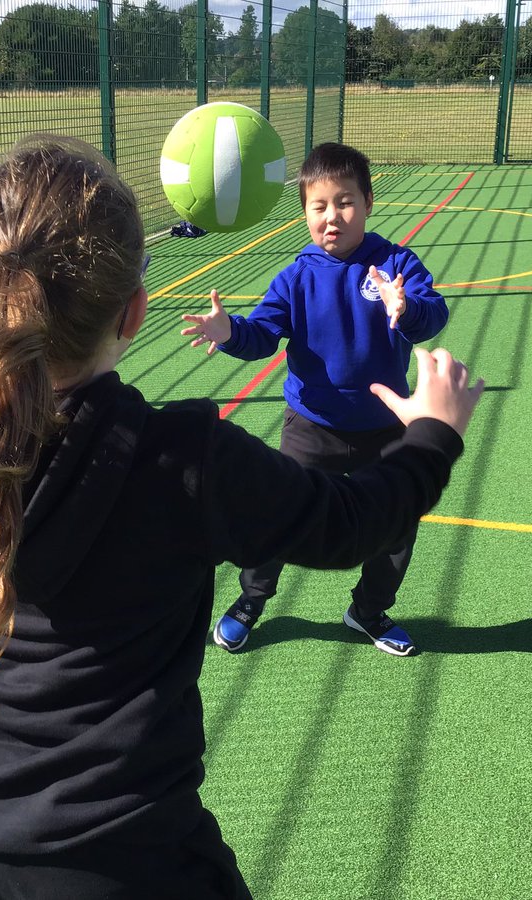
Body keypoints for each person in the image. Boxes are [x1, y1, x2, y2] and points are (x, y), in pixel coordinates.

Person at [0, 135, 482, 900]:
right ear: (135, 310)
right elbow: (349, 525)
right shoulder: (183, 461)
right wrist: (433, 437)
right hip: (124, 845)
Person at [181, 141, 450, 657]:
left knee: (394, 527)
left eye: (345, 202)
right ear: (304, 212)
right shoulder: (296, 277)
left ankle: (367, 611)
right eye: (319, 206)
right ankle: (251, 601)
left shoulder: (395, 264)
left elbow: (433, 313)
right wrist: (229, 329)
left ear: (368, 204)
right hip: (311, 426)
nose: (333, 217)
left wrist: (407, 306)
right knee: (276, 516)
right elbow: (261, 333)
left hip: (385, 427)